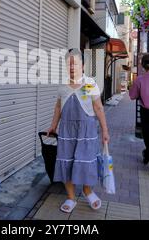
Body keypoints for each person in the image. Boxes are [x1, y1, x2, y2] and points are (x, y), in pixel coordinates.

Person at [47, 48, 110, 213]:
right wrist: (53, 125)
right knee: (67, 162)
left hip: (86, 132)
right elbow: (58, 107)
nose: (72, 66)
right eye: (69, 63)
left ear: (83, 65)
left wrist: (105, 130)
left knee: (87, 161)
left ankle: (88, 191)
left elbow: (99, 108)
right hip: (67, 132)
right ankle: (70, 197)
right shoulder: (62, 86)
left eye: (75, 62)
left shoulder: (90, 83)